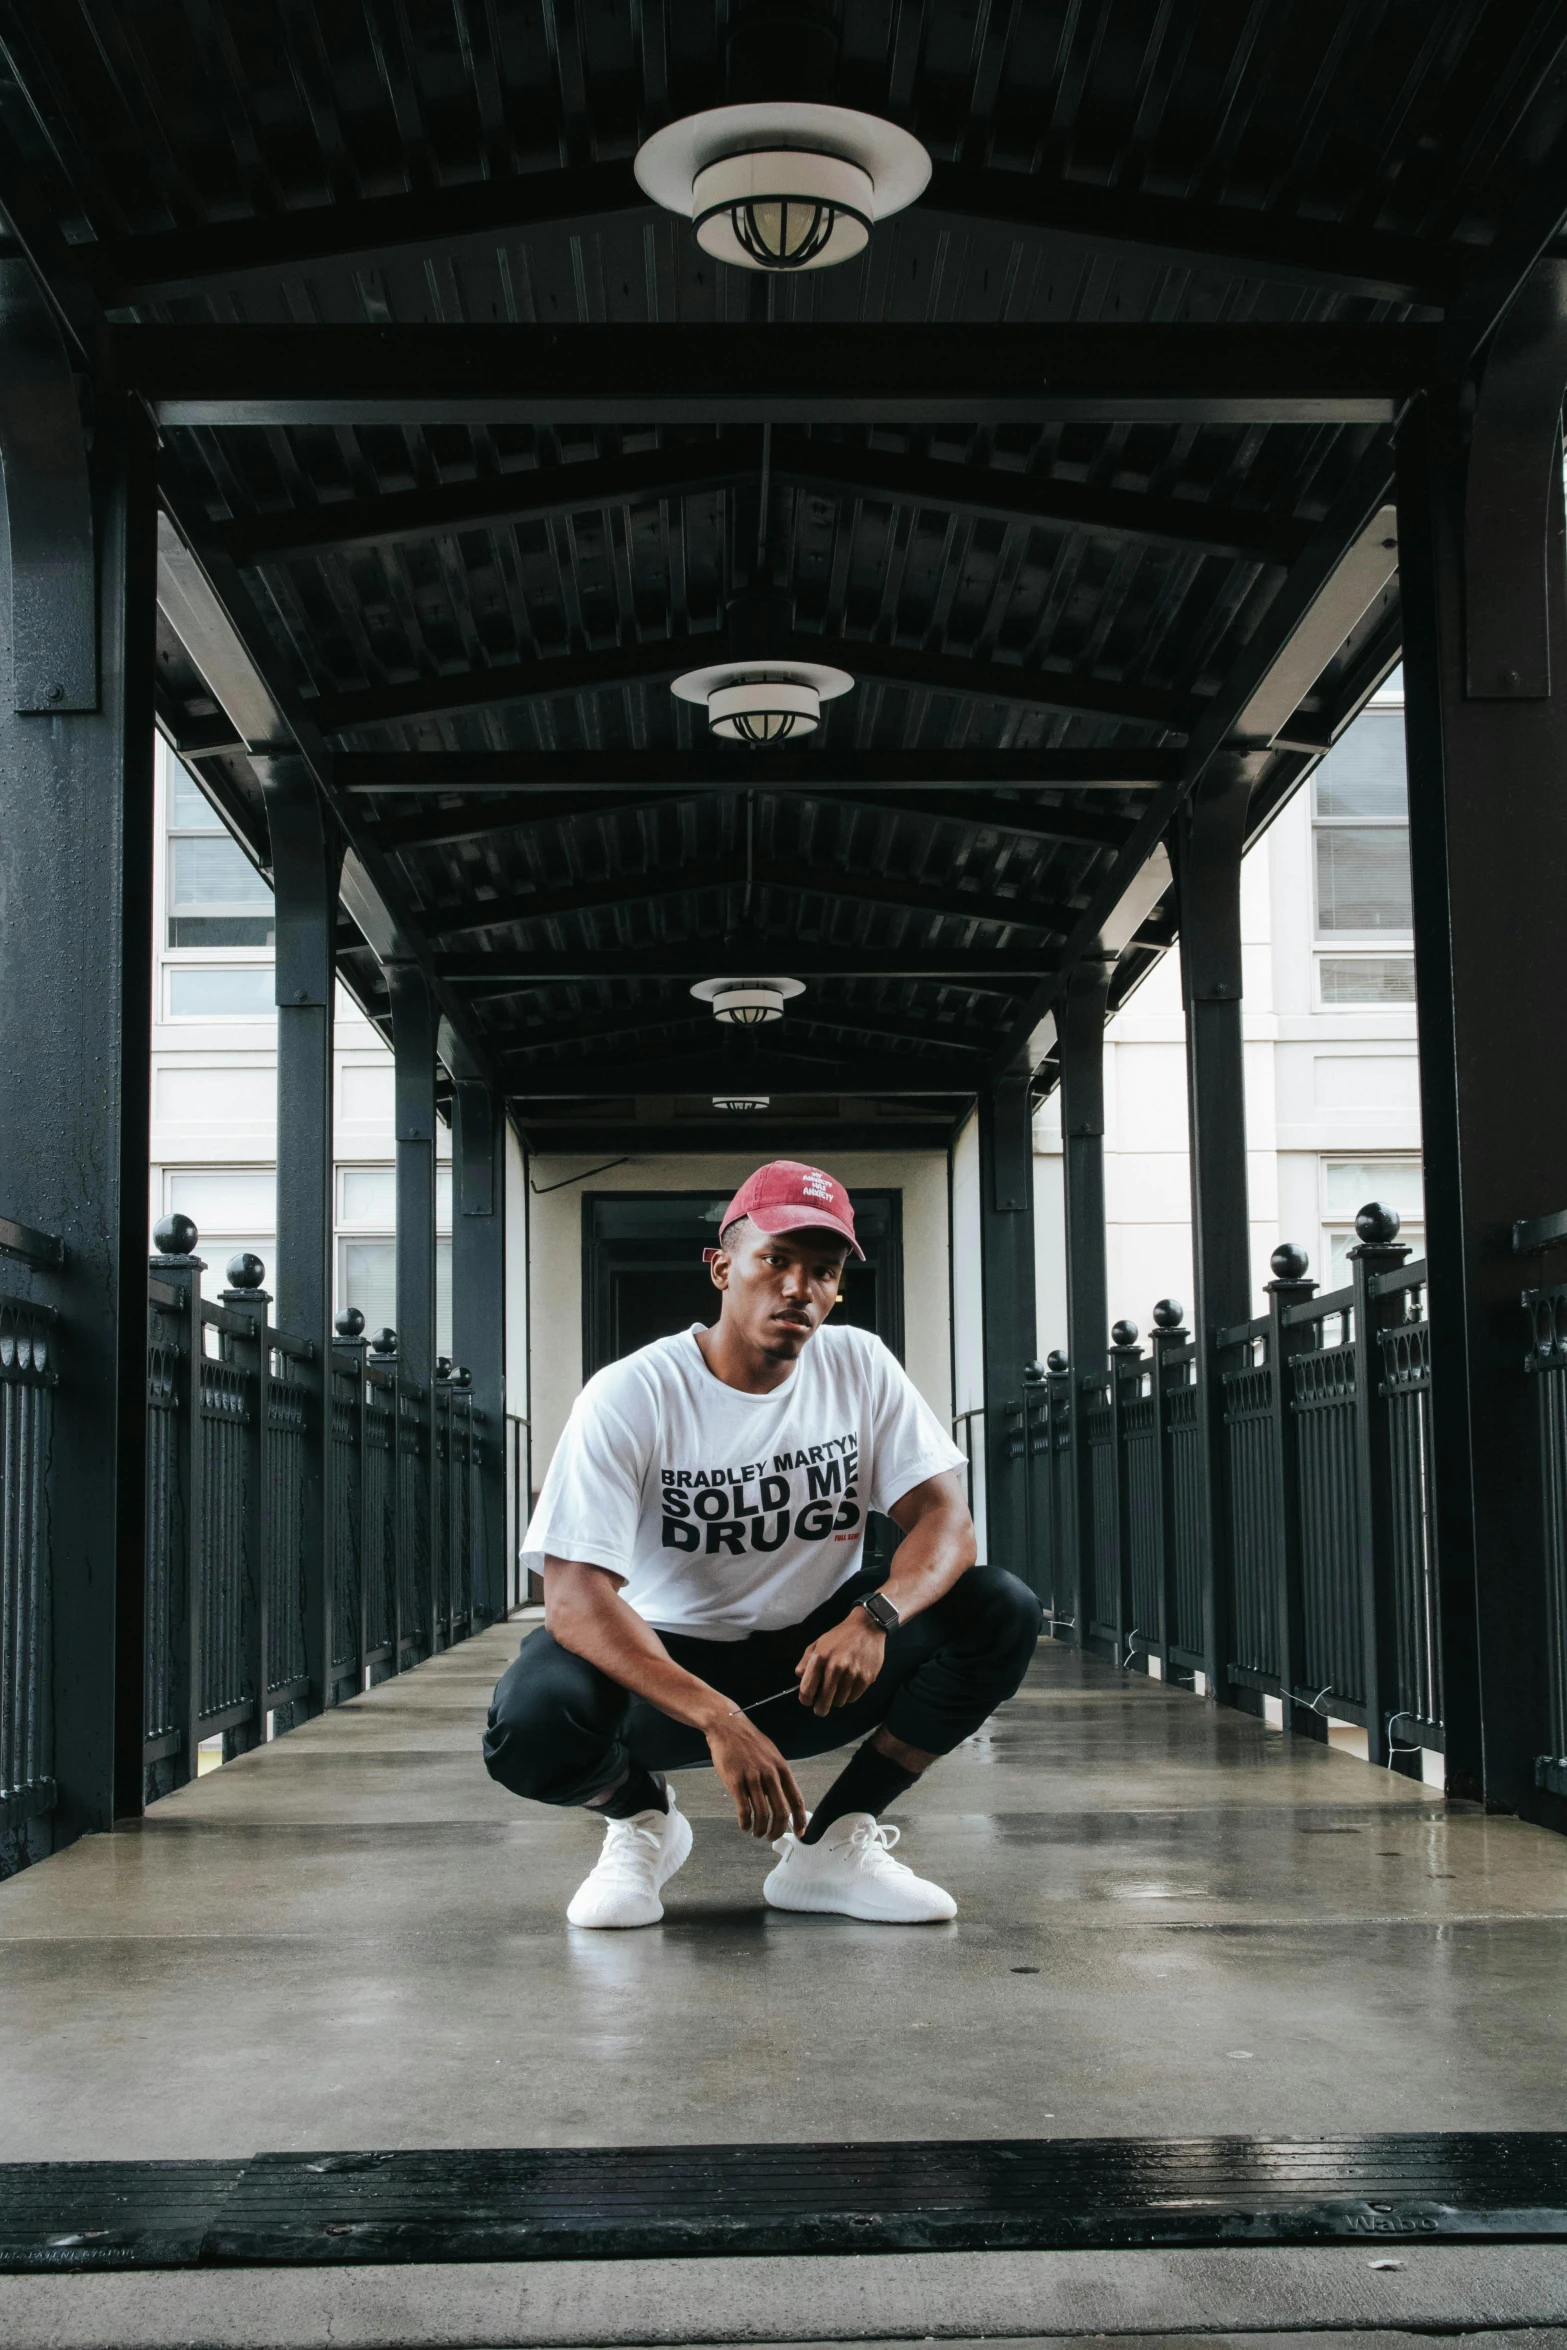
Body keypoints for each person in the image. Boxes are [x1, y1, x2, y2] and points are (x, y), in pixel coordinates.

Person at [483, 1160, 1042, 1930]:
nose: (797, 1288)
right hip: (668, 1678)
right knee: (529, 1726)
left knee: (999, 1607)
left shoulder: (858, 1365)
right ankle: (643, 1821)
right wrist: (717, 1719)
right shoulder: (632, 1392)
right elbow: (574, 1600)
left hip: (817, 1667)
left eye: (822, 1270)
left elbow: (946, 1522)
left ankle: (831, 1845)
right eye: (774, 1261)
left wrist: (873, 1617)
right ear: (721, 1267)